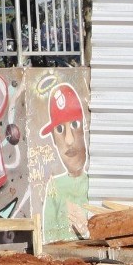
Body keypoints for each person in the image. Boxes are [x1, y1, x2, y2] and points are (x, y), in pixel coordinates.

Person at [39, 81, 90, 242]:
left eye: (75, 124)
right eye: (60, 129)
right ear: (53, 139)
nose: (69, 139)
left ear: (85, 129)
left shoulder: (96, 182)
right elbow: (47, 239)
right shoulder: (55, 186)